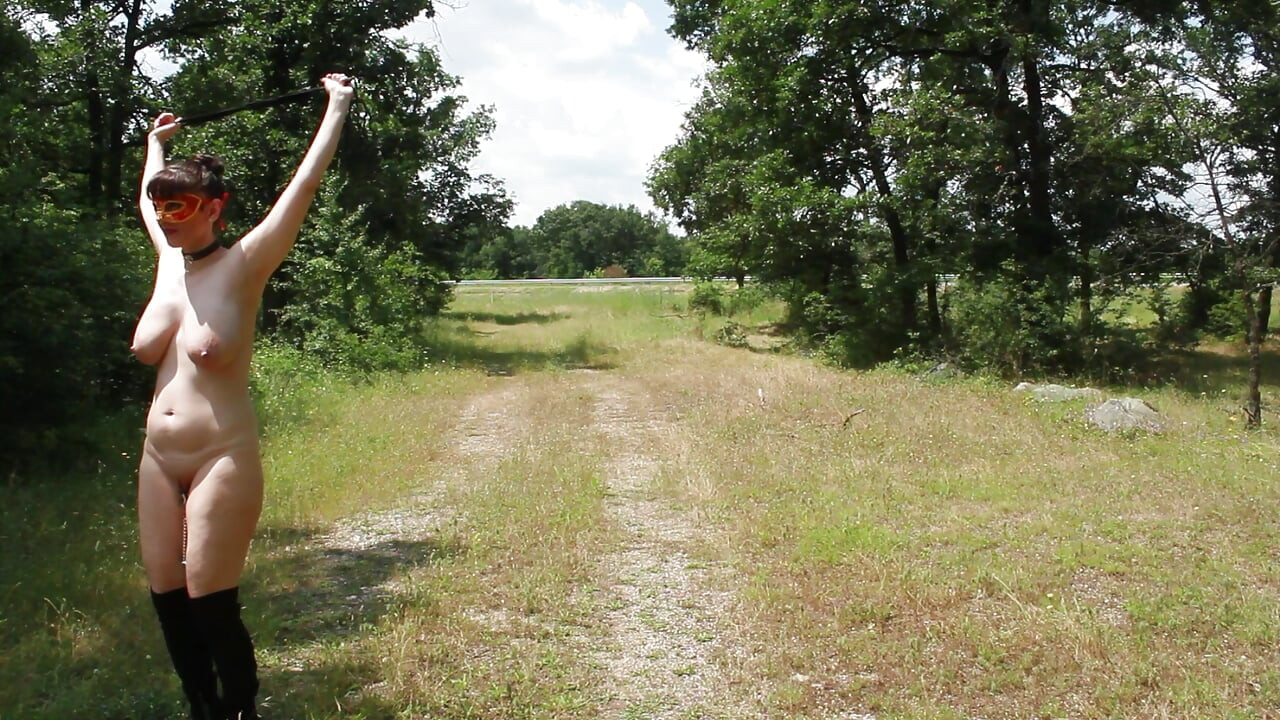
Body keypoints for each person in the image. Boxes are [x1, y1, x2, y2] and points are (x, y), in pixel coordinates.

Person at [131, 73, 354, 720]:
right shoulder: (168, 264)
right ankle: (202, 707)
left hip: (220, 454)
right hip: (157, 458)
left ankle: (240, 711)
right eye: (163, 208)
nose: (167, 219)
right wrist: (155, 145)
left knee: (208, 596)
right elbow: (144, 202)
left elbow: (302, 187)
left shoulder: (245, 265)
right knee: (167, 595)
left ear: (214, 207)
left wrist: (337, 105)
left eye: (180, 207)